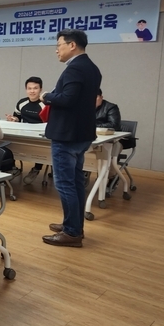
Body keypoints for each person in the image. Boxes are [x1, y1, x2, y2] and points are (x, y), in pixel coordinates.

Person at [40, 29, 102, 247]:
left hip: (67, 135)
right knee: (75, 182)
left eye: (59, 45)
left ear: (72, 45)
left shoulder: (75, 68)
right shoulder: (92, 67)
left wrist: (46, 96)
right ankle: (73, 224)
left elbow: (67, 99)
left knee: (65, 183)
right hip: (81, 134)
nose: (56, 50)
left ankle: (72, 233)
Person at [7, 76, 46, 184]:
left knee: (42, 151)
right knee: (10, 143)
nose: (32, 91)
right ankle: (13, 168)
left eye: (35, 88)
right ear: (26, 89)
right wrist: (14, 119)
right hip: (24, 134)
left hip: (40, 136)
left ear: (40, 89)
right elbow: (18, 118)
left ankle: (36, 169)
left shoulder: (45, 105)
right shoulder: (21, 103)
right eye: (29, 88)